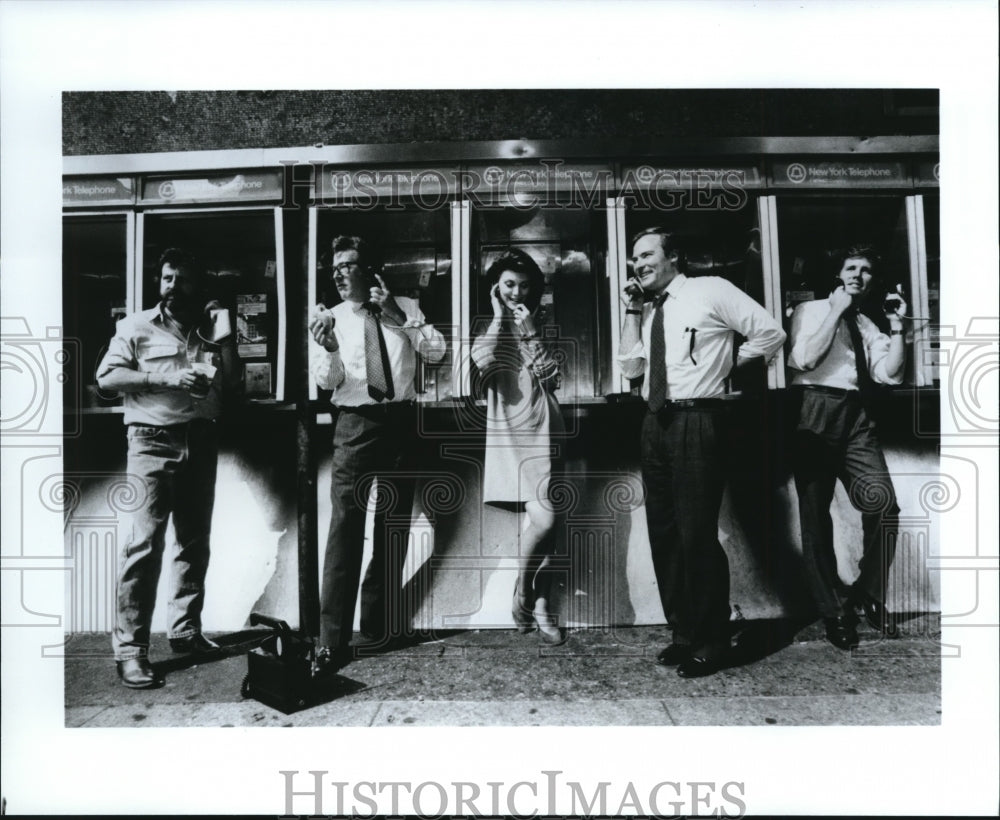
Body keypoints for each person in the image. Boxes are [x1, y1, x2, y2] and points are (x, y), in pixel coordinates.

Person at [618, 227, 786, 678]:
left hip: (697, 420)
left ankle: (713, 641)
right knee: (665, 533)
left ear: (673, 256)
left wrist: (728, 366)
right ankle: (685, 633)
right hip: (654, 422)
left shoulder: (710, 291)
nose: (639, 264)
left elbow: (771, 333)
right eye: (635, 258)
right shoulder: (648, 309)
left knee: (696, 534)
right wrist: (631, 311)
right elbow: (632, 368)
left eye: (647, 254)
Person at [97, 248, 241, 689]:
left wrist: (226, 334)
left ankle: (184, 633)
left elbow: (233, 382)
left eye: (181, 279)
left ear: (198, 286)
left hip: (200, 438)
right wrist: (164, 379)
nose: (173, 286)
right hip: (151, 441)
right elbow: (106, 379)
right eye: (167, 278)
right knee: (144, 545)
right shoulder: (136, 326)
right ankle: (131, 652)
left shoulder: (209, 330)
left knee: (194, 543)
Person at [309, 235, 446, 674]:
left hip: (402, 423)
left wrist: (397, 318)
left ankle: (378, 624)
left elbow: (437, 352)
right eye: (334, 268)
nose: (338, 273)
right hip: (354, 426)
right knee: (345, 529)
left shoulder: (404, 306)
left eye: (347, 265)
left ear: (370, 270)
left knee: (394, 526)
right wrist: (329, 348)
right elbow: (328, 383)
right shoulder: (329, 319)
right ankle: (332, 639)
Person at [786, 245, 906, 650]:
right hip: (813, 409)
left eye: (867, 270)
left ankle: (866, 592)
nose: (858, 275)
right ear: (838, 274)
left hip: (855, 416)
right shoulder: (811, 310)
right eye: (851, 268)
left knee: (884, 504)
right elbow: (802, 359)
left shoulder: (868, 323)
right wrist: (836, 310)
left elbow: (889, 374)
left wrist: (897, 327)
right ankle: (833, 611)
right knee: (816, 518)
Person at [471, 249, 566, 645]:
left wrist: (531, 333)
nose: (517, 292)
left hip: (547, 427)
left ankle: (539, 603)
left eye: (524, 286)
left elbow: (554, 377)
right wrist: (499, 317)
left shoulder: (540, 323)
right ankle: (524, 591)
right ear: (496, 287)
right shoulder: (487, 325)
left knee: (552, 526)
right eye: (509, 284)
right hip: (512, 435)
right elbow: (483, 363)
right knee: (545, 521)